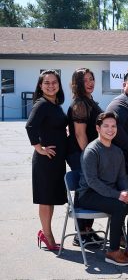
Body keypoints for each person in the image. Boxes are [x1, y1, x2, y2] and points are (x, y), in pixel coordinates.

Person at [78, 112, 128, 266]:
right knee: (119, 207)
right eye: (106, 126)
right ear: (98, 128)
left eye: (113, 126)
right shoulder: (92, 151)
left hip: (108, 193)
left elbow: (122, 178)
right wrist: (118, 195)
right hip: (88, 195)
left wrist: (127, 192)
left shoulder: (117, 151)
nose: (110, 130)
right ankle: (113, 251)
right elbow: (92, 182)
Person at [25, 70, 67, 251]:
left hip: (56, 160)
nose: (51, 85)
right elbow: (30, 125)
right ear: (40, 86)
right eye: (47, 83)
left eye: (54, 82)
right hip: (46, 161)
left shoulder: (55, 104)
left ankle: (46, 232)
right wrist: (39, 148)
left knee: (50, 198)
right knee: (45, 199)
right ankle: (47, 235)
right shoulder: (41, 104)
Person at [66, 68, 103, 247]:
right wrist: (89, 157)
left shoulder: (89, 100)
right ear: (78, 83)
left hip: (88, 152)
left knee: (91, 187)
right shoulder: (80, 103)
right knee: (84, 188)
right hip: (80, 153)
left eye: (92, 78)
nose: (90, 82)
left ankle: (87, 230)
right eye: (85, 80)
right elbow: (80, 134)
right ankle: (80, 234)